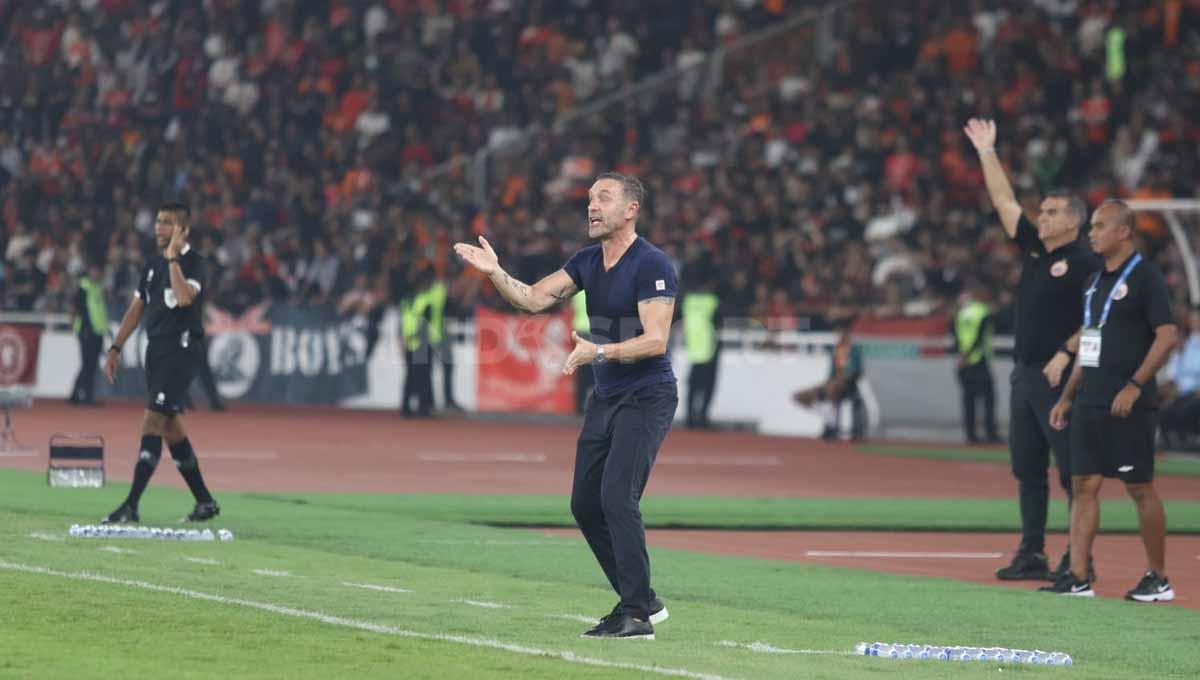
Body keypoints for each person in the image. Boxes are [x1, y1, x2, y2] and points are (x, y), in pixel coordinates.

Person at [455, 172, 676, 640]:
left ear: (631, 209)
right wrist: (496, 272)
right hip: (608, 394)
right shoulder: (587, 261)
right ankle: (642, 600)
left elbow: (655, 341)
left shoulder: (652, 263)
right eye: (590, 198)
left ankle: (636, 613)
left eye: (604, 197)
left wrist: (599, 352)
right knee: (584, 504)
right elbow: (533, 299)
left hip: (647, 395)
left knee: (618, 497)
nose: (591, 205)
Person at [965, 118, 1101, 581]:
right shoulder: (1037, 251)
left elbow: (1099, 320)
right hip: (1025, 374)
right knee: (1027, 469)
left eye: (1049, 213)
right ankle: (1032, 551)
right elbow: (1003, 201)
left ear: (1074, 221)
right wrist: (987, 152)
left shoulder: (1087, 263)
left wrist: (1067, 354)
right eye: (1040, 212)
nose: (1039, 218)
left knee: (1072, 473)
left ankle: (1078, 557)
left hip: (1062, 377)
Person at [1043, 199, 1177, 602]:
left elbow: (1167, 336)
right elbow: (1091, 341)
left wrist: (1135, 385)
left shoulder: (1147, 278)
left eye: (1100, 226)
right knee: (1083, 485)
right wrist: (1068, 394)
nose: (1092, 232)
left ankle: (1159, 577)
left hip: (1128, 403)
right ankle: (1078, 576)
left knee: (1139, 488)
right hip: (1091, 400)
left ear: (1123, 232)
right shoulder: (1095, 282)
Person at [101, 202, 220, 524]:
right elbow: (137, 308)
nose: (158, 228)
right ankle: (205, 502)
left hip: (181, 350)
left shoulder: (195, 263)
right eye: (157, 221)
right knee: (171, 428)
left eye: (167, 223)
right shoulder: (152, 265)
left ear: (184, 230)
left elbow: (183, 298)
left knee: (153, 421)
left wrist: (173, 260)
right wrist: (115, 347)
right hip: (156, 350)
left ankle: (131, 505)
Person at [793, 320, 865, 439]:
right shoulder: (835, 350)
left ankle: (831, 426)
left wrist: (844, 379)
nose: (840, 335)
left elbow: (858, 370)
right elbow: (831, 373)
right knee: (800, 396)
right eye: (839, 333)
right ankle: (828, 419)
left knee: (832, 389)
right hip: (832, 383)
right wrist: (827, 383)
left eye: (843, 333)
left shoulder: (855, 350)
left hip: (848, 385)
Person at [953, 282, 1000, 444]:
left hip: (963, 362)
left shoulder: (962, 312)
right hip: (978, 360)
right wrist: (969, 354)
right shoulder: (983, 312)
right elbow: (979, 338)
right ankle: (990, 433)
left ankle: (970, 434)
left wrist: (961, 355)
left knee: (968, 400)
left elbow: (957, 336)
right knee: (988, 398)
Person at [1158, 307, 1200, 447]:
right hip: (1181, 392)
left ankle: (1188, 442)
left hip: (1196, 393)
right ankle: (1169, 442)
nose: (1195, 322)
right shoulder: (1183, 346)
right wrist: (1170, 388)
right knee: (1166, 410)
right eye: (1193, 319)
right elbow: (1173, 374)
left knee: (1186, 410)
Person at [682, 278, 720, 429]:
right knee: (707, 386)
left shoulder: (689, 301)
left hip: (694, 349)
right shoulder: (713, 301)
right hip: (710, 349)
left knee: (693, 385)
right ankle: (702, 417)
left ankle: (690, 417)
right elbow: (722, 319)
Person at [69, 261, 108, 406]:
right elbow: (73, 306)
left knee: (89, 364)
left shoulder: (98, 287)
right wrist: (73, 325)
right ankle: (86, 396)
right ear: (90, 271)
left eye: (98, 271)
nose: (96, 273)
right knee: (88, 364)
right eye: (94, 270)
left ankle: (75, 394)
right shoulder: (83, 287)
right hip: (86, 330)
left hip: (97, 331)